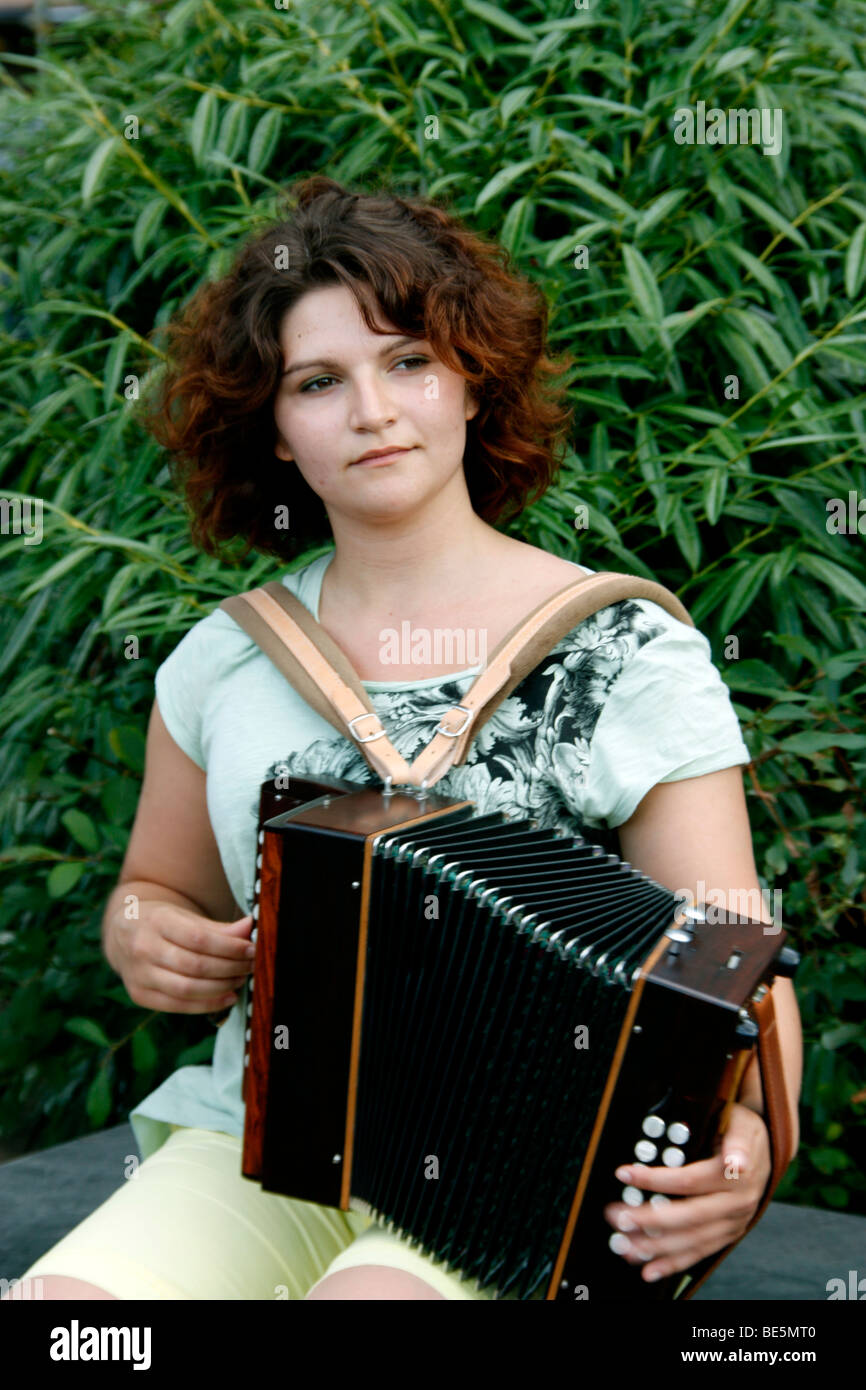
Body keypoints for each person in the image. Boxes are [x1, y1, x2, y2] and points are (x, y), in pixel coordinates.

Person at [7, 175, 802, 1302]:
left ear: (472, 382)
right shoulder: (225, 660)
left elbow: (733, 956)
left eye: (409, 361)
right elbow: (151, 889)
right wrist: (146, 938)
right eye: (318, 382)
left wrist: (754, 1146)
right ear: (274, 431)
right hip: (268, 1144)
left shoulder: (624, 652)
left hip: (544, 1170)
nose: (371, 409)